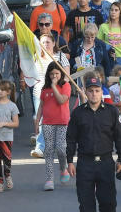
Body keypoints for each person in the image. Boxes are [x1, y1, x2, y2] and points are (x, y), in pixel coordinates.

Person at [66, 73, 121, 212]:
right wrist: (69, 161)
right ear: (85, 92)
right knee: (85, 204)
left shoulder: (112, 112)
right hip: (85, 163)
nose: (94, 94)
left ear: (102, 92)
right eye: (90, 91)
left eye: (97, 90)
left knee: (108, 203)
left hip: (106, 163)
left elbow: (120, 137)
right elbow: (71, 138)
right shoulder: (78, 113)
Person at [35, 62, 71, 191]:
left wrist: (55, 86)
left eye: (57, 73)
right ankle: (49, 179)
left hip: (62, 121)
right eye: (51, 74)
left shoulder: (66, 85)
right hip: (47, 122)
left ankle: (63, 168)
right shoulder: (45, 89)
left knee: (61, 148)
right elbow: (41, 105)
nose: (54, 76)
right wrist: (37, 120)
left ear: (61, 73)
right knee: (49, 150)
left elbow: (61, 100)